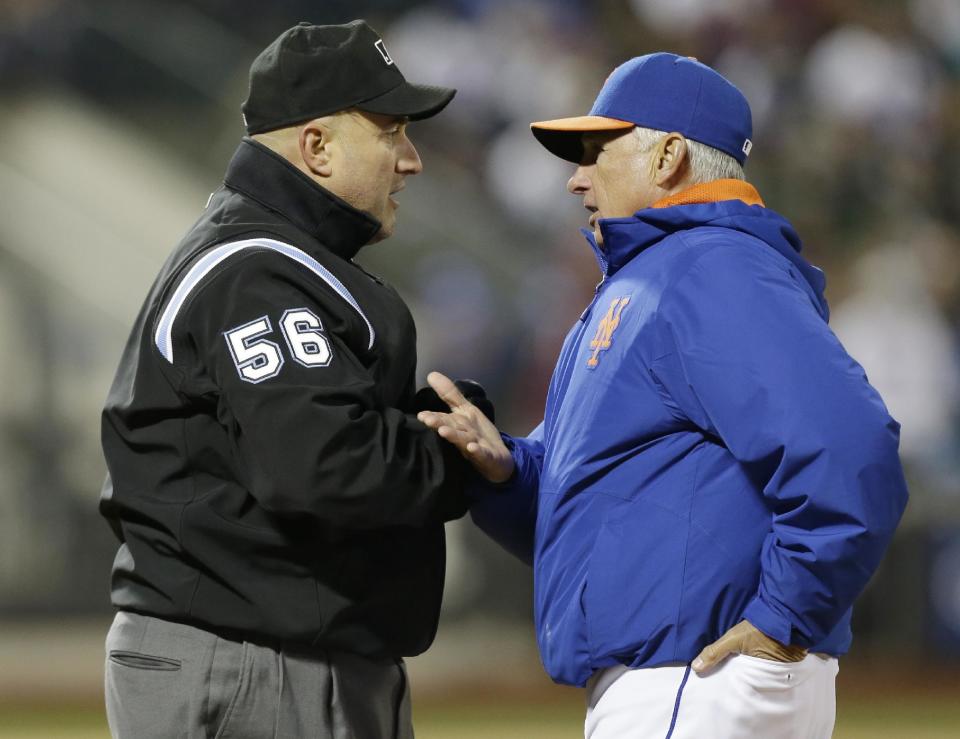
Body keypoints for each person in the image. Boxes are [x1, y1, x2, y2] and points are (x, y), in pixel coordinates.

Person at [417, 53, 909, 738]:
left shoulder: (713, 266)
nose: (575, 177)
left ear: (669, 155)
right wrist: (509, 471)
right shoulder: (661, 273)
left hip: (702, 676)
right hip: (680, 678)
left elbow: (852, 448)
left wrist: (782, 616)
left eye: (595, 150)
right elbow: (618, 512)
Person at [99, 20, 468, 739]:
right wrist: (452, 449)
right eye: (392, 131)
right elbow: (329, 468)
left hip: (257, 649)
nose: (411, 160)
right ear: (317, 146)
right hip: (252, 662)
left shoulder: (268, 257)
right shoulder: (258, 271)